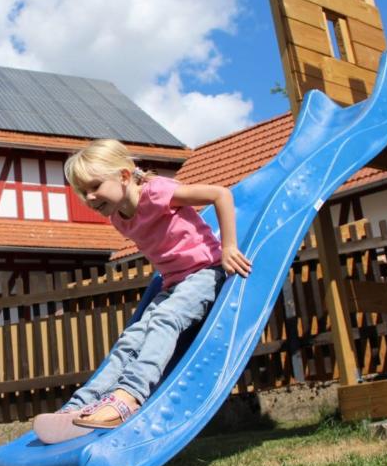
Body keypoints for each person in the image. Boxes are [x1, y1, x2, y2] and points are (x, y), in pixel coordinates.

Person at [33, 139, 251, 444]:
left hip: (205, 272)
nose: (90, 197)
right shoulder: (118, 218)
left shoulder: (158, 192)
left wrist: (228, 246)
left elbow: (220, 194)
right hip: (174, 283)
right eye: (83, 192)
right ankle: (82, 404)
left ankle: (128, 397)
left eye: (95, 186)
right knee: (130, 340)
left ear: (123, 176)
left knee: (164, 319)